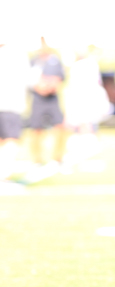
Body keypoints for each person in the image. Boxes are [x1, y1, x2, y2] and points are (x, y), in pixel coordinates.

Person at [25, 39, 68, 170]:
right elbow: (29, 80)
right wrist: (39, 87)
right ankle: (37, 159)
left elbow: (59, 79)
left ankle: (58, 157)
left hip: (52, 99)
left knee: (60, 126)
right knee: (36, 128)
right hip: (38, 99)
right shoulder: (33, 61)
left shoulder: (55, 60)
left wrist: (50, 85)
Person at [0, 41, 30, 181]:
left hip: (9, 104)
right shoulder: (18, 55)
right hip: (11, 105)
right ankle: (5, 174)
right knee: (11, 139)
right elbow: (29, 79)